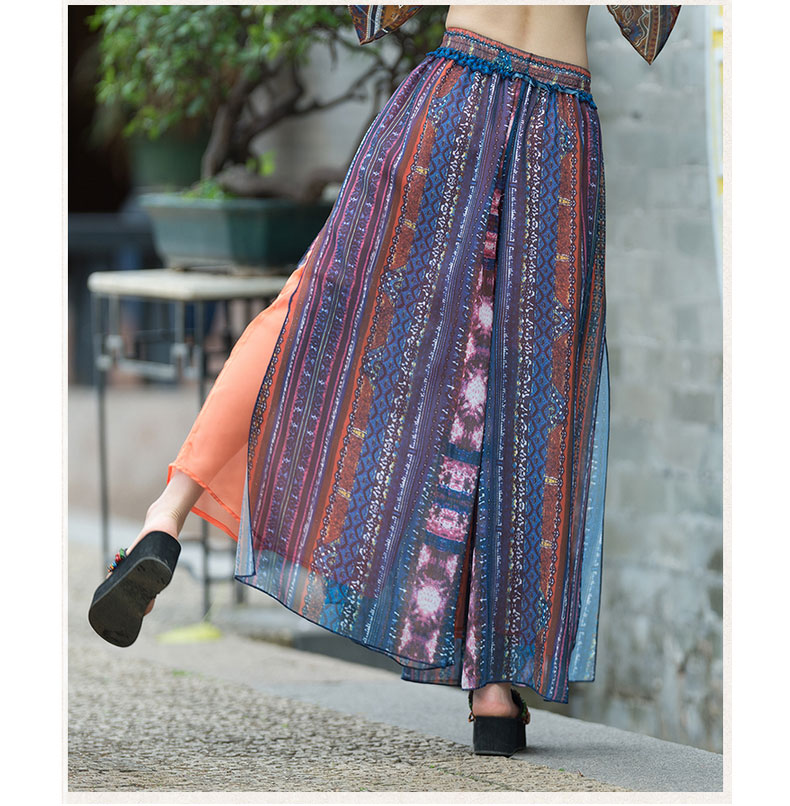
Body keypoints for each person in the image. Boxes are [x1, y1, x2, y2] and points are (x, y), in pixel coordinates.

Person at [89, 4, 681, 757]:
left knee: (312, 309)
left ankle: (165, 517)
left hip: (451, 105)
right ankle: (496, 692)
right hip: (557, 134)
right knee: (527, 393)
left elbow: (375, 13)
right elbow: (649, 27)